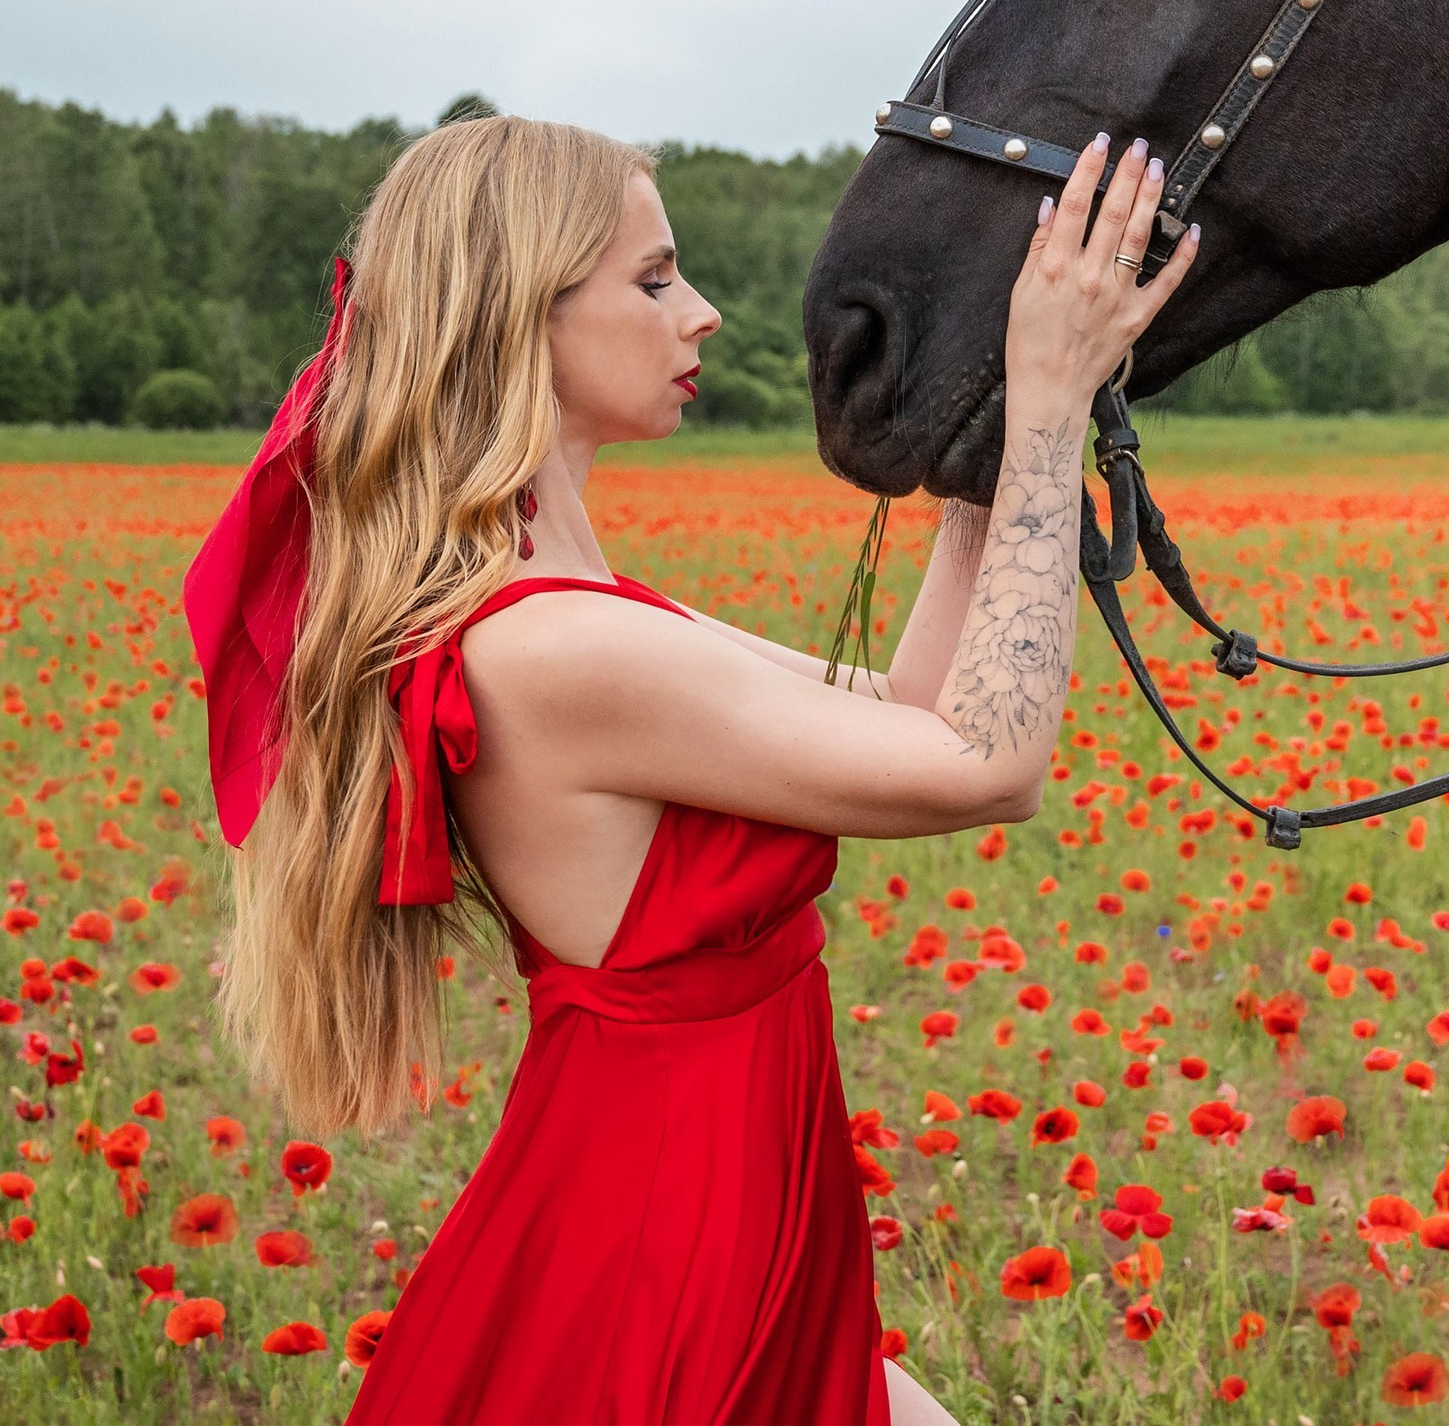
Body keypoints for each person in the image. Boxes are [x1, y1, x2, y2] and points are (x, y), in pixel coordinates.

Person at [184, 113, 1195, 1424]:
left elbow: (910, 711)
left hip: (705, 1207)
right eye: (654, 279)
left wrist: (981, 463)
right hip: (666, 1244)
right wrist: (1051, 414)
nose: (703, 314)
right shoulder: (555, 649)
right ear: (518, 318)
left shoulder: (580, 614)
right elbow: (985, 764)